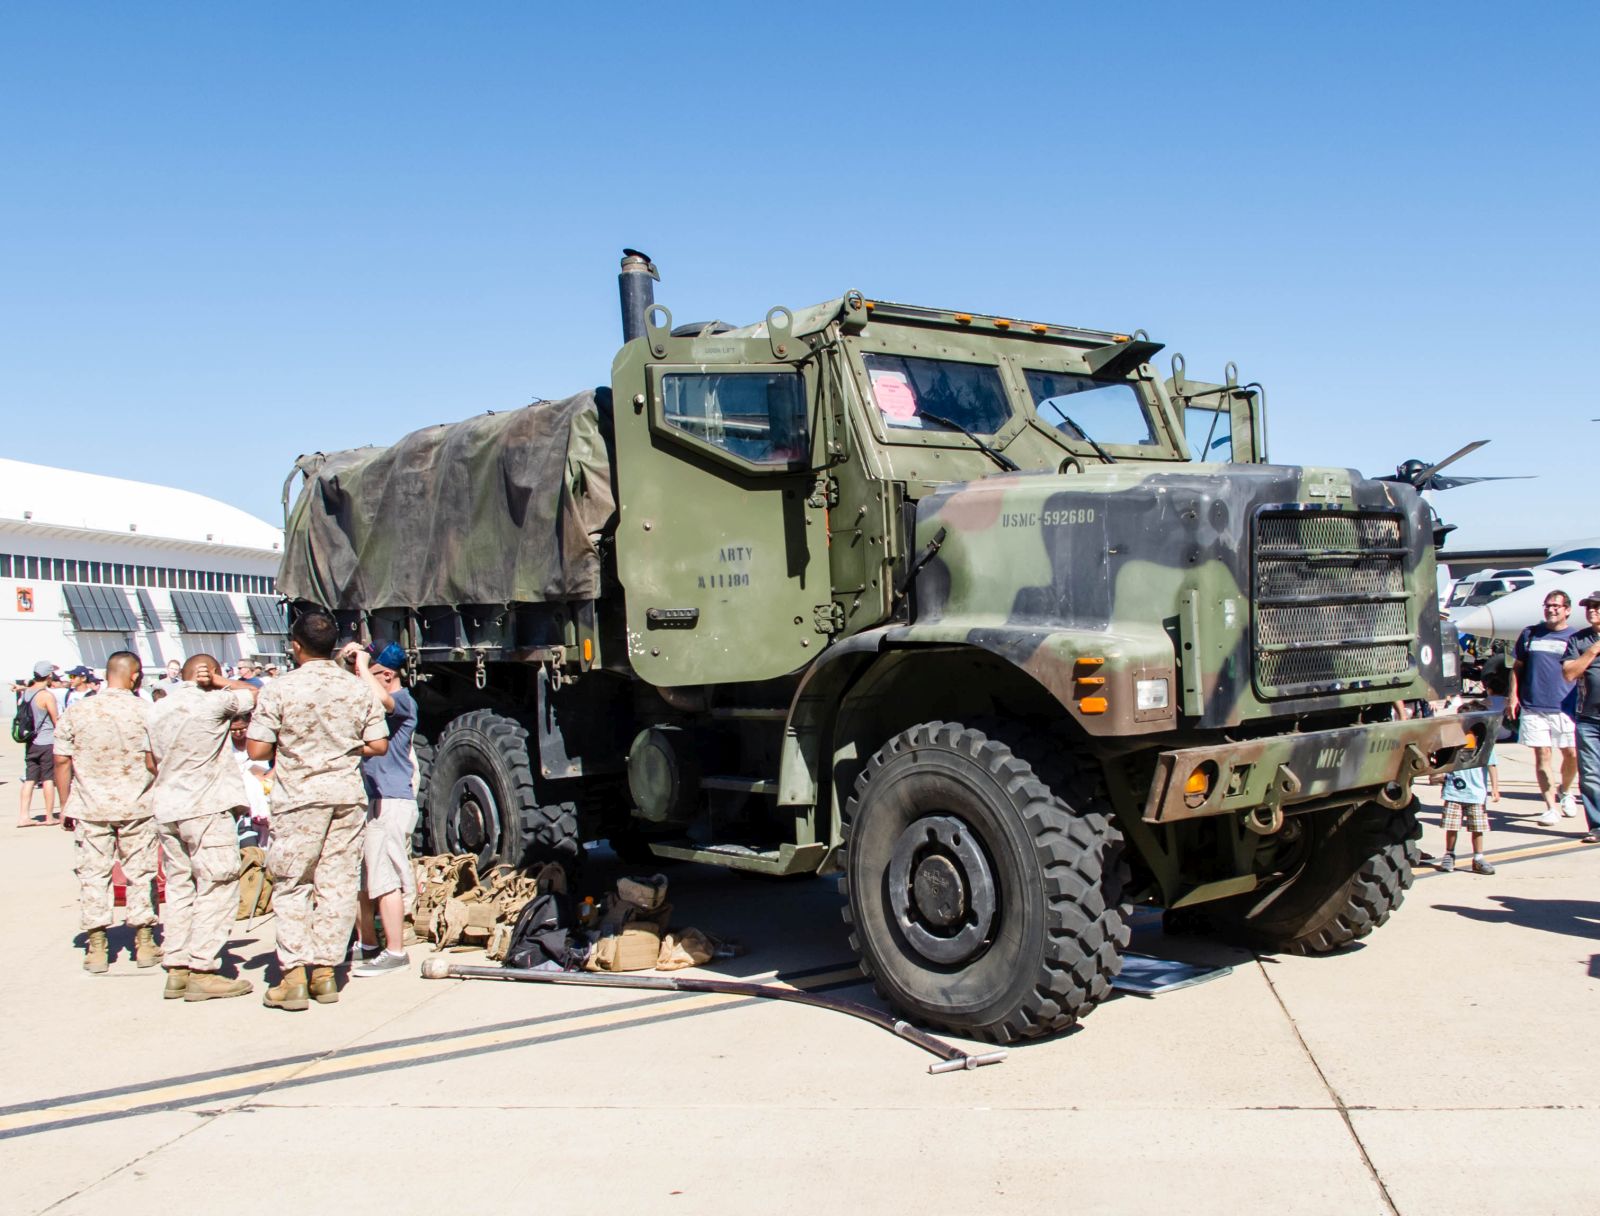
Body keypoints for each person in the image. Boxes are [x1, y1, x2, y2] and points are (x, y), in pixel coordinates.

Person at [246, 612, 388, 1011]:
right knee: (338, 884)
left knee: (293, 883)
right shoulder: (356, 688)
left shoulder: (279, 688)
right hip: (345, 796)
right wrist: (341, 749)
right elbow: (379, 745)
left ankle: (293, 976)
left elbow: (256, 749)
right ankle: (325, 973)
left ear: (296, 646)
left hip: (299, 798)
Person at [146, 655, 260, 1001]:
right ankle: (203, 968)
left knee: (180, 887)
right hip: (206, 806)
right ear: (210, 675)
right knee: (217, 884)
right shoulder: (213, 703)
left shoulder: (156, 709)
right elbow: (257, 693)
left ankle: (177, 966)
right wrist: (219, 683)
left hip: (168, 806)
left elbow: (150, 761)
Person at [51, 651, 160, 972]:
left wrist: (65, 803)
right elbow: (158, 758)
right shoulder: (147, 712)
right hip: (138, 805)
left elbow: (61, 760)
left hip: (90, 806)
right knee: (140, 873)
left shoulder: (78, 711)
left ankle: (97, 945)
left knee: (93, 874)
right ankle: (144, 941)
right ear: (135, 675)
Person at [339, 641, 418, 975]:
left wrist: (362, 664)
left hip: (392, 799)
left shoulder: (403, 701)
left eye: (370, 674)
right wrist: (349, 663)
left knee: (386, 878)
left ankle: (396, 951)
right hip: (372, 797)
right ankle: (368, 944)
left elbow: (383, 701)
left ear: (387, 675)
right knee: (364, 879)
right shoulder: (375, 695)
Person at [1510, 590, 1583, 826]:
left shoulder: (1575, 638)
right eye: (1548, 605)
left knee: (1571, 754)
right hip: (1534, 705)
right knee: (1542, 755)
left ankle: (1565, 790)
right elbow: (1517, 667)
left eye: (1556, 606)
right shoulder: (1530, 634)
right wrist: (1513, 697)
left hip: (1565, 706)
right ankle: (1551, 807)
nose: (1551, 610)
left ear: (1567, 610)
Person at [1432, 700, 1499, 874]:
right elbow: (1441, 761)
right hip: (1454, 791)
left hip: (1476, 793)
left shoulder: (1484, 743)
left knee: (1477, 828)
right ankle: (1449, 854)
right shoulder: (1453, 740)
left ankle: (1478, 857)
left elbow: (1491, 765)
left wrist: (1495, 788)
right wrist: (1437, 775)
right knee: (1452, 826)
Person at [1561, 591, 1600, 844]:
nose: (1592, 610)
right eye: (1588, 607)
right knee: (1591, 774)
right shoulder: (1579, 640)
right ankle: (1597, 825)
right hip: (1589, 719)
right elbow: (1569, 674)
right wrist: (1593, 651)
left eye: (1597, 606)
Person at [17, 660, 61, 826]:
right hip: (47, 741)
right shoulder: (46, 696)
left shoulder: (26, 693)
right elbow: (56, 720)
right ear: (48, 676)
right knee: (48, 778)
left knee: (30, 779)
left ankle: (24, 816)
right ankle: (49, 816)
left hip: (31, 741)